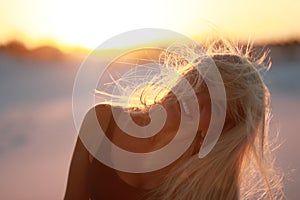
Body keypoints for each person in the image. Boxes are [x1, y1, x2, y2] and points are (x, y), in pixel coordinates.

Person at [64, 39, 283, 200]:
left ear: (221, 128)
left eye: (216, 107)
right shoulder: (103, 120)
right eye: (201, 82)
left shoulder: (212, 183)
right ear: (187, 75)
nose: (196, 99)